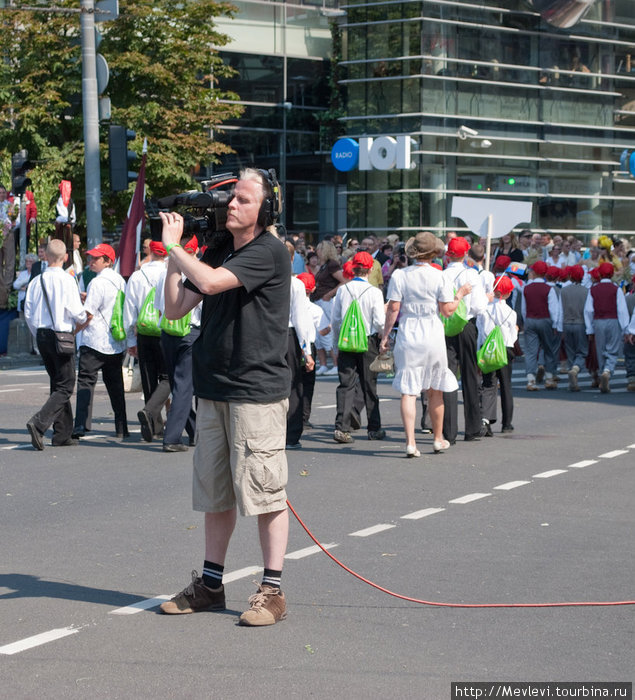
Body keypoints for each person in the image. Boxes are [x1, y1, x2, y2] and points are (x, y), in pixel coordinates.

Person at [158, 168, 291, 627]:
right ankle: (211, 585)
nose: (232, 205)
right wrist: (176, 258)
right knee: (217, 494)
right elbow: (175, 308)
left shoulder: (268, 251)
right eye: (232, 198)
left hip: (255, 391)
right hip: (213, 387)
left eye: (244, 200)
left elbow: (213, 285)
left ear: (266, 210)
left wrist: (175, 247)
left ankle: (272, 591)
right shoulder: (217, 250)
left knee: (264, 492)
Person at [380, 232, 471, 457]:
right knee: (435, 389)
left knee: (408, 391)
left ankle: (411, 442)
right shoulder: (440, 276)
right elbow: (447, 311)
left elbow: (393, 308)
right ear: (434, 253)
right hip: (432, 331)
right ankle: (438, 438)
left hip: (409, 331)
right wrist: (460, 295)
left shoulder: (401, 275)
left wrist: (385, 335)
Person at [24, 239, 86, 450]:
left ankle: (62, 433)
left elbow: (29, 313)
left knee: (57, 382)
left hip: (42, 334)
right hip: (61, 334)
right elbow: (77, 312)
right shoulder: (67, 280)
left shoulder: (36, 281)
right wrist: (82, 316)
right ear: (65, 257)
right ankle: (39, 423)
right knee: (66, 385)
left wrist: (39, 332)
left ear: (46, 256)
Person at [72, 243, 129, 439]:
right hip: (114, 341)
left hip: (94, 340)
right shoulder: (120, 280)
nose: (91, 261)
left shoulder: (96, 282)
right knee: (115, 385)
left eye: (96, 258)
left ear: (108, 261)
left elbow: (88, 315)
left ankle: (80, 425)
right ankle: (122, 427)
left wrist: (73, 332)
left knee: (86, 382)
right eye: (90, 257)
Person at [330, 251, 386, 444]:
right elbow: (379, 321)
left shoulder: (343, 290)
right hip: (368, 341)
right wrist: (383, 337)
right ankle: (374, 428)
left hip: (346, 340)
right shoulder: (374, 293)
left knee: (346, 384)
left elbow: (336, 319)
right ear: (370, 269)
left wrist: (336, 343)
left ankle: (342, 427)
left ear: (353, 268)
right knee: (369, 385)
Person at [153, 233, 202, 451]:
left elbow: (159, 305)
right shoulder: (198, 271)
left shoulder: (167, 272)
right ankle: (172, 438)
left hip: (168, 331)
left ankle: (193, 431)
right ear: (196, 251)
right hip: (190, 332)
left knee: (176, 384)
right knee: (184, 386)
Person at [442, 236, 489, 443]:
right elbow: (479, 306)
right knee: (470, 374)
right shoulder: (471, 274)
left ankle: (448, 431)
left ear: (448, 254)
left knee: (447, 375)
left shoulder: (441, 275)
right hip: (467, 325)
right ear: (466, 254)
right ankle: (472, 427)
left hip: (445, 324)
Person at [123, 240, 170, 442]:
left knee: (149, 379)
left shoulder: (137, 275)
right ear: (165, 254)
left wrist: (131, 340)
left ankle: (153, 427)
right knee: (169, 377)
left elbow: (129, 309)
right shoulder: (168, 273)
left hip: (143, 333)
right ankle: (151, 411)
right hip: (166, 332)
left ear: (150, 252)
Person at [477, 275, 518, 435]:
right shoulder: (511, 312)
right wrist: (514, 331)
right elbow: (512, 338)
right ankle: (506, 423)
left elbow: (481, 332)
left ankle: (485, 419)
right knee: (506, 385)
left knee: (488, 384)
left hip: (489, 349)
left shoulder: (485, 309)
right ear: (508, 294)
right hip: (505, 350)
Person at [583, 262, 630, 393]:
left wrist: (589, 329)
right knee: (613, 349)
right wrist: (625, 328)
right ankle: (608, 371)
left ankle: (602, 370)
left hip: (598, 321)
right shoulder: (616, 289)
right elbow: (621, 310)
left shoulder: (593, 289)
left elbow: (588, 310)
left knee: (600, 349)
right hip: (613, 320)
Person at [522, 261, 560, 391]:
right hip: (545, 320)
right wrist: (555, 325)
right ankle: (549, 378)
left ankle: (530, 379)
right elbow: (553, 309)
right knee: (548, 349)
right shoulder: (549, 289)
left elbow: (523, 308)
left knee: (531, 351)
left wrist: (525, 320)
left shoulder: (526, 288)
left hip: (530, 319)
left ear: (534, 273)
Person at [310, 239, 346, 375]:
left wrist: (329, 294)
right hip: (319, 299)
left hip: (326, 301)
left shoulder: (332, 265)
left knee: (328, 332)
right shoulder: (324, 265)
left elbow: (343, 281)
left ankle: (336, 364)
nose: (317, 252)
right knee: (318, 334)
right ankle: (323, 364)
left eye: (319, 249)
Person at [559, 265, 588, 391]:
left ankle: (572, 375)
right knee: (582, 351)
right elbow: (588, 311)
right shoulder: (586, 291)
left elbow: (560, 310)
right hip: (580, 322)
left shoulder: (564, 291)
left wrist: (559, 328)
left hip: (566, 323)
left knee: (570, 351)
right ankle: (576, 369)